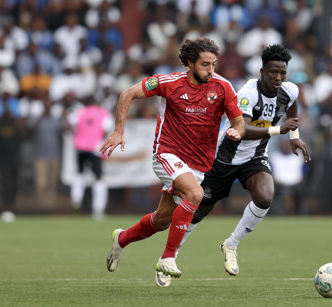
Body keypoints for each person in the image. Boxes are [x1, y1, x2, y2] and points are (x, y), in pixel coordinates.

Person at [158, 44, 311, 287]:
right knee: (198, 211)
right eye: (273, 72)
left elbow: (292, 109)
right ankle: (169, 258)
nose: (278, 78)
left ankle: (231, 244)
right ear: (262, 71)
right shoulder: (247, 93)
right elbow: (241, 129)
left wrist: (294, 137)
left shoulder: (289, 90)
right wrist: (278, 130)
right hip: (223, 158)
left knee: (265, 198)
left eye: (282, 73)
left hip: (254, 157)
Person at [101, 37, 245, 281]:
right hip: (166, 154)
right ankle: (168, 258)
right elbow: (127, 94)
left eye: (214, 64)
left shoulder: (223, 87)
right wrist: (118, 131)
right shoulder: (169, 82)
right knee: (195, 195)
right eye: (205, 65)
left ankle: (121, 239)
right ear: (190, 62)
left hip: (198, 164)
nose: (211, 70)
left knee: (161, 221)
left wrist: (236, 132)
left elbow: (239, 123)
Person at [67, 98, 113, 220]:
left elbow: (71, 125)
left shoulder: (80, 112)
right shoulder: (103, 113)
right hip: (95, 147)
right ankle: (98, 210)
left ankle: (76, 202)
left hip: (80, 146)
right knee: (98, 177)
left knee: (79, 173)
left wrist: (79, 137)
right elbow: (106, 129)